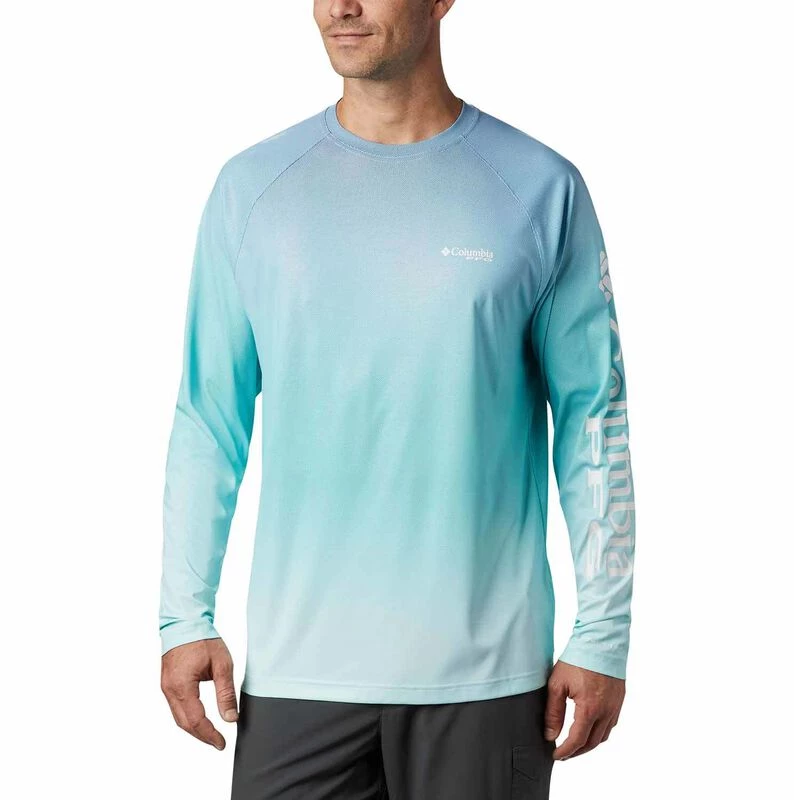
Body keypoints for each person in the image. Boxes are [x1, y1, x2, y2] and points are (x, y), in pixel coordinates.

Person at [158, 1, 637, 797]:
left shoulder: (538, 188)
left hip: (486, 681)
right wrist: (185, 616)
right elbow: (209, 420)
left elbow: (594, 419)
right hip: (298, 675)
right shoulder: (253, 189)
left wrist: (603, 635)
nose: (341, 6)